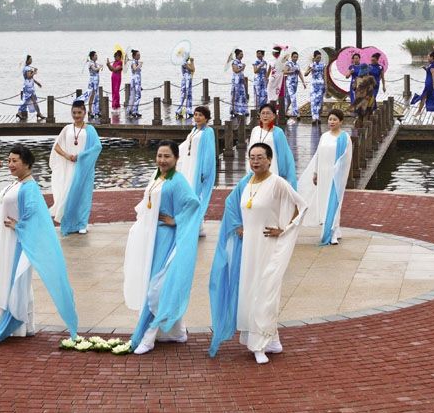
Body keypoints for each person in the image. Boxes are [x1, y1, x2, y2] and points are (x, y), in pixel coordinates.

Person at [0, 145, 79, 346]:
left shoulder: (30, 188)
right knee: (12, 281)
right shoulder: (16, 184)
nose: (10, 164)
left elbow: (36, 218)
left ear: (27, 164)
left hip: (18, 243)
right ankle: (26, 325)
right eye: (9, 160)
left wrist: (18, 225)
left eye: (15, 161)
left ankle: (11, 322)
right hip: (5, 242)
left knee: (15, 281)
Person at [208, 141, 305, 364]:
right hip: (249, 249)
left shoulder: (277, 183)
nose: (255, 161)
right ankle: (272, 340)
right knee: (251, 292)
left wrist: (285, 229)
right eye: (252, 157)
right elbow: (236, 206)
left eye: (260, 157)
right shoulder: (247, 183)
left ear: (270, 159)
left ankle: (258, 345)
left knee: (265, 292)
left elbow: (300, 205)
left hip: (268, 247)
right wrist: (239, 228)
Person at [123, 141, 201, 354]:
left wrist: (176, 220)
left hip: (168, 239)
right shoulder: (157, 177)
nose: (162, 160)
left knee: (156, 289)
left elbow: (193, 204)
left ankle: (147, 336)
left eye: (167, 156)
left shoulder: (177, 181)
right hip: (153, 238)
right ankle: (177, 332)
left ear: (176, 159)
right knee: (156, 283)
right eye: (159, 156)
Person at [297, 109, 352, 245]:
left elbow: (346, 158)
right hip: (323, 175)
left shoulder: (344, 138)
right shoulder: (324, 136)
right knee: (325, 203)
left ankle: (332, 233)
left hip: (336, 176)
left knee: (334, 203)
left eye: (334, 119)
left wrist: (338, 171)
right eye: (330, 119)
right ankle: (334, 229)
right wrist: (315, 173)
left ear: (341, 121)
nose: (331, 122)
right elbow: (318, 155)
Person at [49, 100, 102, 235]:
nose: (77, 115)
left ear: (84, 112)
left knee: (83, 195)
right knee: (67, 195)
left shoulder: (90, 129)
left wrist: (81, 156)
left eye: (79, 112)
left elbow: (97, 147)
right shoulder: (67, 128)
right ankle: (68, 222)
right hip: (69, 167)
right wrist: (68, 156)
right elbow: (57, 147)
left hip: (83, 168)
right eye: (74, 113)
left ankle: (82, 223)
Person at [176, 105, 216, 236]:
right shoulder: (193, 130)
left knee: (196, 195)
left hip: (198, 168)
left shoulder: (208, 132)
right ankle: (189, 224)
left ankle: (198, 226)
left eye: (200, 115)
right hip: (189, 165)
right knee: (187, 195)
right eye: (195, 114)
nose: (197, 117)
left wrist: (204, 171)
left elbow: (209, 153)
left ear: (206, 118)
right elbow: (185, 146)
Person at [246, 103, 296, 188]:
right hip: (255, 168)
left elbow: (282, 154)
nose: (265, 116)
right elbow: (249, 151)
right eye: (263, 113)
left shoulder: (278, 132)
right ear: (259, 115)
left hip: (272, 169)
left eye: (268, 113)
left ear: (273, 116)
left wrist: (282, 173)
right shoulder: (255, 130)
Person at [410, 51, 434, 115]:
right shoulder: (431, 64)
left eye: (428, 57)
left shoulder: (432, 65)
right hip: (428, 83)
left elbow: (433, 75)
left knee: (426, 97)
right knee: (431, 97)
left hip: (430, 84)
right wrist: (425, 68)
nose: (427, 58)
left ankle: (419, 111)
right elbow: (429, 72)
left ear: (432, 57)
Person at [16, 54, 43, 121]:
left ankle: (38, 113)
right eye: (30, 59)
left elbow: (31, 78)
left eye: (31, 59)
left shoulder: (27, 67)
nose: (31, 61)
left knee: (33, 100)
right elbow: (28, 77)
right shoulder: (27, 68)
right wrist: (34, 72)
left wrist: (37, 83)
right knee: (26, 100)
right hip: (28, 87)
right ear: (27, 60)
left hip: (30, 85)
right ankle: (19, 112)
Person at [283, 50, 307, 123]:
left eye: (296, 57)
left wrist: (303, 82)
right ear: (291, 57)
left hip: (295, 83)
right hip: (289, 82)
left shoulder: (297, 65)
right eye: (294, 57)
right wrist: (292, 71)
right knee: (293, 97)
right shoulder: (288, 63)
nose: (295, 58)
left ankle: (283, 112)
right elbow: (284, 71)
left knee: (288, 99)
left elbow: (300, 73)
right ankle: (296, 113)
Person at [304, 50, 326, 124]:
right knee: (313, 101)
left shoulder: (323, 65)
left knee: (319, 102)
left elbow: (325, 75)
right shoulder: (311, 65)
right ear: (314, 57)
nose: (318, 59)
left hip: (321, 84)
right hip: (313, 84)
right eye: (317, 58)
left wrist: (326, 85)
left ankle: (318, 117)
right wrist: (310, 69)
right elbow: (305, 74)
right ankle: (314, 118)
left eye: (320, 58)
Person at [175, 54, 196, 119]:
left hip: (189, 79)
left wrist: (192, 62)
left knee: (189, 95)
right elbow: (191, 69)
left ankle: (189, 110)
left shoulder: (187, 63)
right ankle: (179, 110)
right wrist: (192, 62)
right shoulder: (184, 63)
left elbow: (193, 69)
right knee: (183, 95)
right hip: (185, 80)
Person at [229, 49, 248, 119]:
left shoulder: (240, 62)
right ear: (237, 55)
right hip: (236, 82)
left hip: (241, 81)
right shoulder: (234, 62)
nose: (242, 56)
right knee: (236, 96)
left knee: (242, 96)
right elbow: (235, 70)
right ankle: (234, 111)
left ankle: (243, 110)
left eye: (242, 54)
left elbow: (241, 73)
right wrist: (242, 68)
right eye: (240, 54)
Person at [83, 51, 101, 119]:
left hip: (96, 81)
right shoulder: (91, 63)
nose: (97, 56)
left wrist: (98, 67)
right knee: (92, 95)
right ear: (92, 56)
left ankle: (96, 111)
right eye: (95, 55)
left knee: (96, 95)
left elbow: (97, 70)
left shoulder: (95, 63)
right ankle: (91, 111)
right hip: (93, 81)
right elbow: (95, 69)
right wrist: (99, 67)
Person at [127, 49, 143, 118]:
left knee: (136, 96)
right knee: (138, 95)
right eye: (137, 55)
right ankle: (134, 111)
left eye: (139, 55)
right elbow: (135, 69)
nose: (139, 56)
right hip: (135, 79)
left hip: (137, 79)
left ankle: (135, 111)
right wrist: (139, 65)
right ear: (134, 56)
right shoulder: (133, 62)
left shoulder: (136, 61)